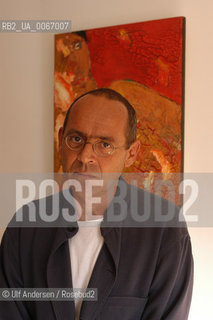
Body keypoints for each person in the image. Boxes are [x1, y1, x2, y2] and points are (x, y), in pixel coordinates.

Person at [0, 88, 193, 319]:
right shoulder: (24, 226)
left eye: (105, 145)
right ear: (61, 140)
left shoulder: (165, 230)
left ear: (131, 153)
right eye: (76, 139)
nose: (84, 156)